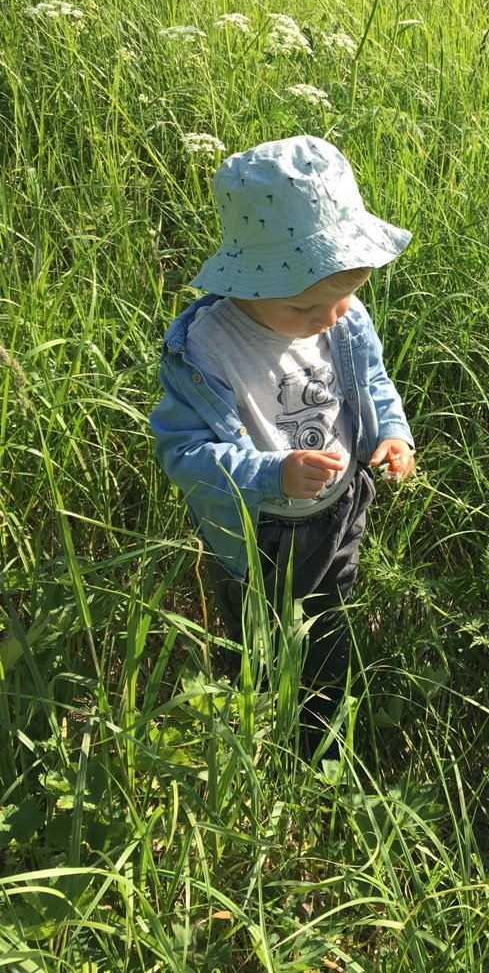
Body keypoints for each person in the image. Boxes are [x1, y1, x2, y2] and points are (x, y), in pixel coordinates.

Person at [150, 134, 415, 757]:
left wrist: (392, 433)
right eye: (305, 306)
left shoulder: (341, 317)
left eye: (348, 296)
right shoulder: (207, 349)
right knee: (258, 634)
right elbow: (182, 454)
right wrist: (271, 474)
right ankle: (260, 725)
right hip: (258, 526)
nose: (330, 317)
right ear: (249, 280)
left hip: (341, 505)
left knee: (329, 619)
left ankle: (319, 734)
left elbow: (371, 381)